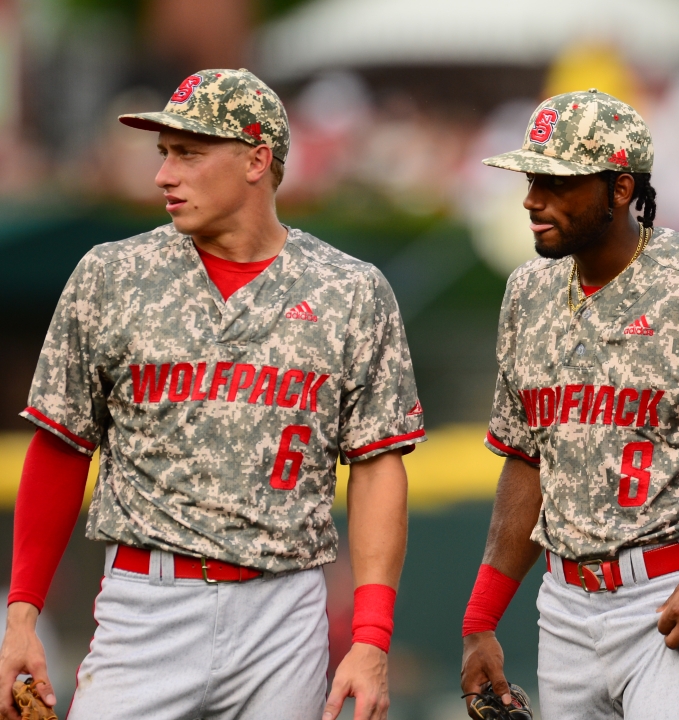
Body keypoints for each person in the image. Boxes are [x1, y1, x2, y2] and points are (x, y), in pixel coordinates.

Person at [0, 69, 422, 720]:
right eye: (164, 153)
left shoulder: (351, 290)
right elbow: (60, 445)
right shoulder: (112, 275)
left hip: (283, 610)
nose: (165, 175)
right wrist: (22, 614)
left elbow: (377, 467)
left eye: (189, 154)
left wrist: (370, 640)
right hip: (146, 604)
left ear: (257, 160)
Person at [458, 89, 679, 719]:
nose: (531, 198)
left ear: (621, 189)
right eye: (530, 177)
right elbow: (526, 459)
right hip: (565, 608)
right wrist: (480, 619)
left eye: (557, 180)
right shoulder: (527, 291)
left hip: (673, 596)